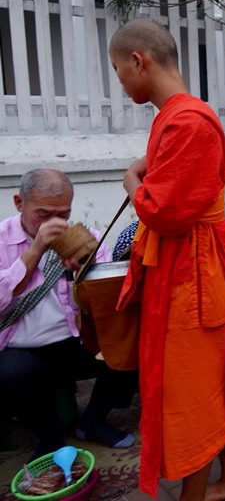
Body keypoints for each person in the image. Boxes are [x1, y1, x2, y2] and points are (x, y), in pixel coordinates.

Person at [110, 18, 225, 500]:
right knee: (206, 380)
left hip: (192, 274)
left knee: (191, 391)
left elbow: (166, 212)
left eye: (118, 70)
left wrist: (132, 181)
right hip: (185, 265)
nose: (120, 82)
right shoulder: (172, 116)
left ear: (139, 61)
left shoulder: (189, 121)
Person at [0, 170, 136, 459]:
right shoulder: (1, 240)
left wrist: (85, 273)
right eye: (43, 214)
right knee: (10, 374)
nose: (53, 223)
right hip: (17, 347)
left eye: (63, 214)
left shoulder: (87, 239)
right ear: (19, 203)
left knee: (133, 345)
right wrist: (36, 250)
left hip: (73, 340)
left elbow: (108, 305)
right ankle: (51, 436)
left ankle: (94, 421)